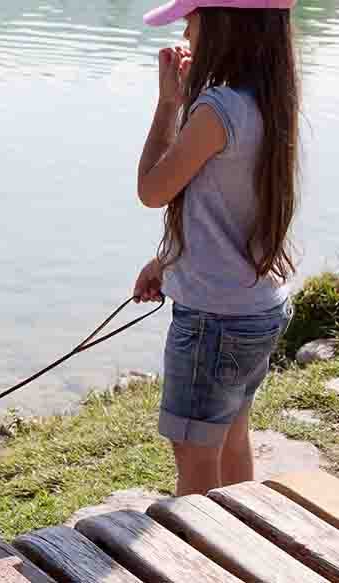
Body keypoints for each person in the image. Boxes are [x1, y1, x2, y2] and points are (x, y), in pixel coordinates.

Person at [132, 0, 300, 496]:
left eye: (192, 16)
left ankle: (202, 557)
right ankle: (239, 538)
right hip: (257, 308)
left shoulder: (216, 109)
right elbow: (229, 211)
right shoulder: (271, 101)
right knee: (231, 437)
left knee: (195, 456)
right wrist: (167, 261)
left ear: (227, 23)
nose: (185, 26)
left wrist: (167, 104)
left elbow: (152, 190)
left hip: (213, 320)